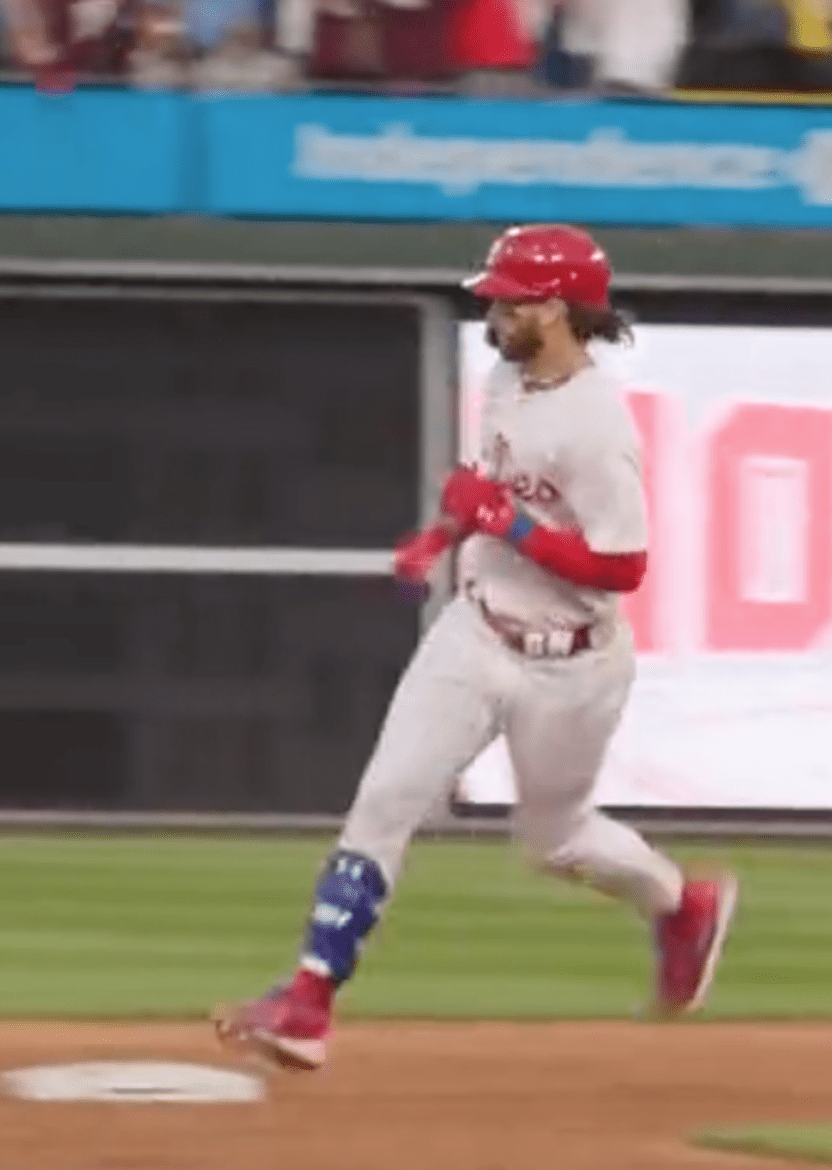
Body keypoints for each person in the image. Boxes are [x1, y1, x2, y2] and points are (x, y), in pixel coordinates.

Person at [213, 224, 738, 1073]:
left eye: (509, 299)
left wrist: (507, 524)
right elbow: (488, 486)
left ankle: (682, 905)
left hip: (573, 660)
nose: (492, 310)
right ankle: (309, 1002)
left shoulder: (598, 426)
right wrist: (440, 535)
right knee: (384, 800)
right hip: (477, 625)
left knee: (555, 840)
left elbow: (623, 566)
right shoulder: (509, 375)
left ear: (559, 310)